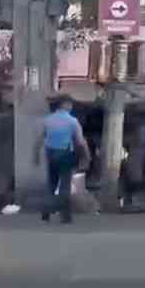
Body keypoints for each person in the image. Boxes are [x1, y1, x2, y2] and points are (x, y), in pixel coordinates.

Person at [33, 95, 89, 224]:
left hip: (50, 154)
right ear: (64, 105)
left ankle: (46, 213)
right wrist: (86, 156)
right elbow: (80, 141)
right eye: (70, 104)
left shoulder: (47, 120)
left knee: (51, 184)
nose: (71, 106)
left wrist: (35, 156)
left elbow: (39, 140)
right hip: (65, 154)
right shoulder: (72, 121)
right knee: (64, 185)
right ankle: (65, 215)